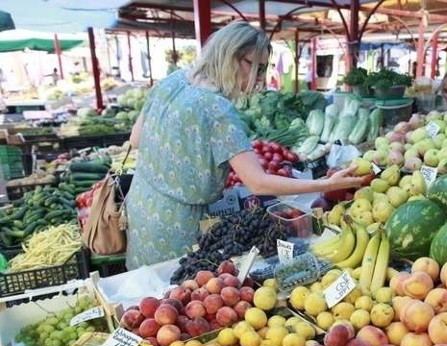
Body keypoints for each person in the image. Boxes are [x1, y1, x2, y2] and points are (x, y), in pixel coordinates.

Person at [126, 21, 364, 270]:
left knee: (141, 293)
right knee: (171, 295)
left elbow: (136, 139)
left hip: (142, 205)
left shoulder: (172, 81)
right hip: (177, 223)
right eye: (257, 67)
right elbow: (258, 182)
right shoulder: (218, 110)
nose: (260, 79)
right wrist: (326, 185)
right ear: (232, 56)